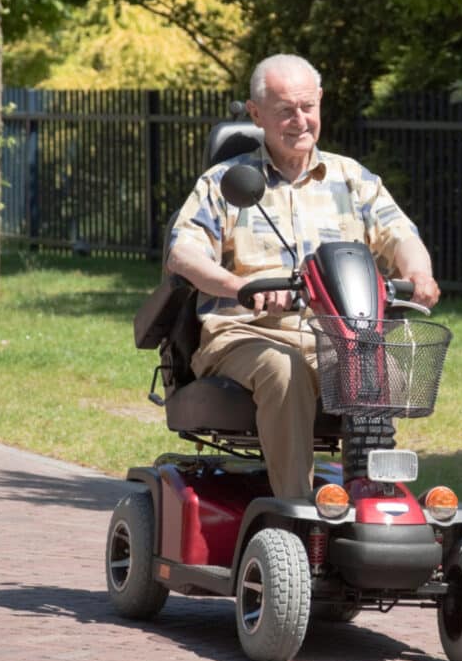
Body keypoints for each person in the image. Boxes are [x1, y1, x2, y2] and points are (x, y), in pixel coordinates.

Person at [166, 53, 440, 499]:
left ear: (320, 103)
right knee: (283, 370)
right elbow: (184, 253)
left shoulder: (352, 179)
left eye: (307, 107)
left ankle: (370, 495)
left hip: (337, 332)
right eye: (284, 111)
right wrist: (239, 287)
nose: (300, 121)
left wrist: (419, 273)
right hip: (244, 333)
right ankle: (294, 511)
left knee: (380, 365)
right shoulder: (226, 182)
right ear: (256, 114)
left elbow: (399, 234)